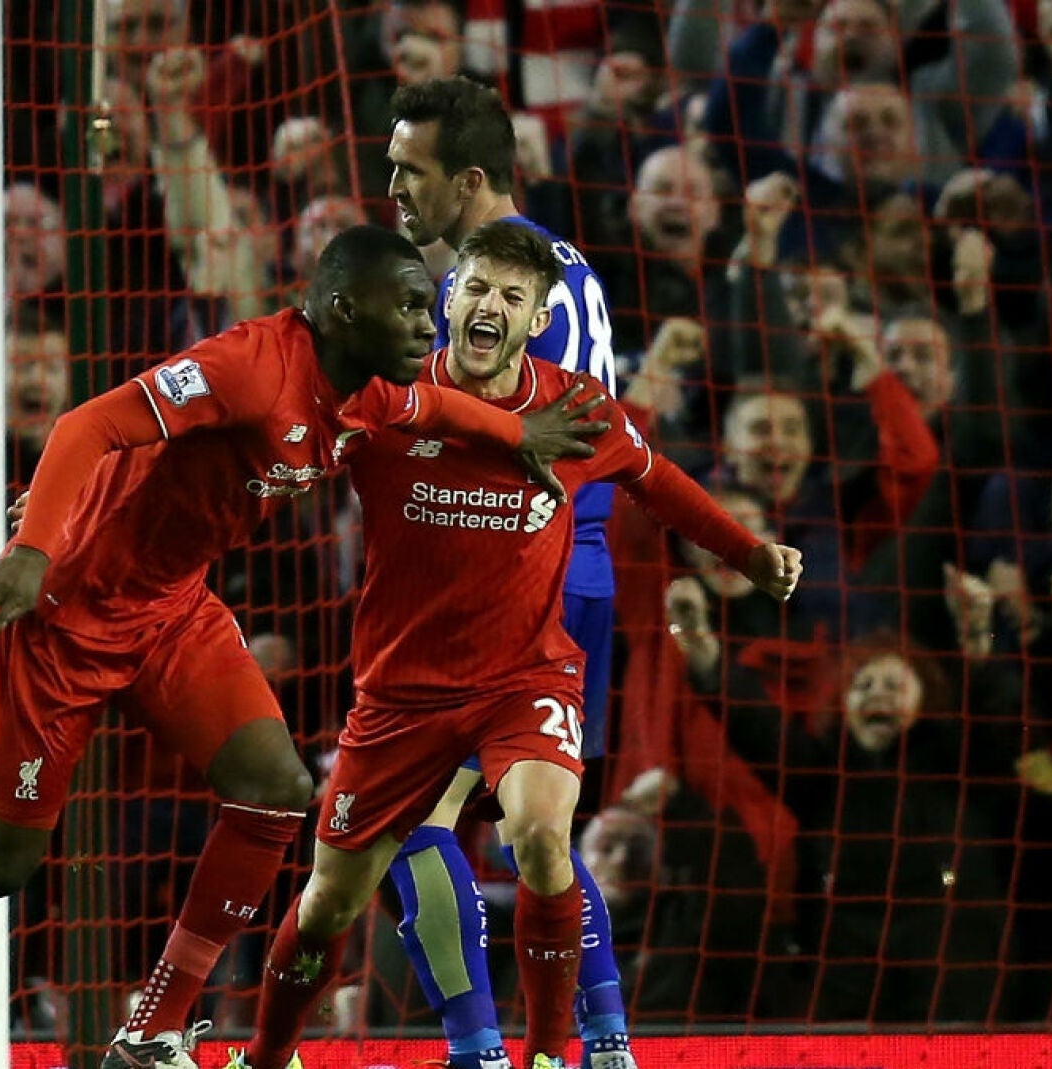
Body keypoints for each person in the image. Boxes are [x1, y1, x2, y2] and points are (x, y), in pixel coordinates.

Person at [0, 224, 610, 1066]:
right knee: (0, 862)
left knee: (278, 790)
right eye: (406, 305)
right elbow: (86, 426)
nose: (427, 325)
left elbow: (434, 405)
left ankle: (153, 1027)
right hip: (63, 613)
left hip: (172, 610)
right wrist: (32, 552)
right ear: (340, 307)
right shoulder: (248, 366)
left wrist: (521, 436)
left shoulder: (363, 392)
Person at [234, 221, 802, 1069]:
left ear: (537, 318)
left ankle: (544, 1053)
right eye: (477, 287)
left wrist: (750, 554)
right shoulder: (384, 396)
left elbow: (662, 485)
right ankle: (267, 1055)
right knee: (327, 902)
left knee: (539, 833)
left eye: (512, 295)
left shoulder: (574, 408)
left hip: (525, 677)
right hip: (400, 694)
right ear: (449, 297)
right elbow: (267, 461)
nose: (489, 305)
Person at [382, 75, 640, 1069]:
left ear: (471, 179)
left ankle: (476, 1047)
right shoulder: (560, 269)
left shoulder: (501, 288)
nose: (393, 188)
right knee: (538, 825)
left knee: (409, 812)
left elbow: (538, 447)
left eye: (411, 171)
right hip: (574, 574)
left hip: (516, 575)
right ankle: (603, 1039)